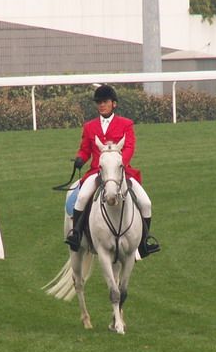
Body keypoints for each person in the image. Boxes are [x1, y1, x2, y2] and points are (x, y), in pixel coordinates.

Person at [65, 84, 160, 258]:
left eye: (105, 102)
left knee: (146, 203)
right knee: (82, 197)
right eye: (99, 102)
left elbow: (129, 147)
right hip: (96, 172)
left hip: (121, 172)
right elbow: (85, 149)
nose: (102, 105)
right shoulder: (89, 127)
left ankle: (144, 242)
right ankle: (76, 235)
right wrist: (80, 158)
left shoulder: (126, 124)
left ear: (113, 103)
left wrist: (118, 164)